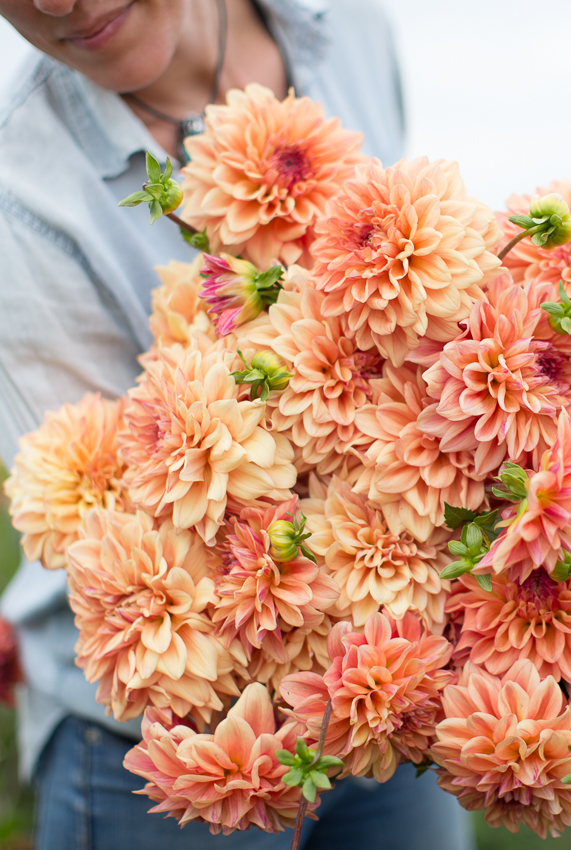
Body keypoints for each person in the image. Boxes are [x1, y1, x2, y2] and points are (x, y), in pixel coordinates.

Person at [0, 2, 473, 848]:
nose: (59, 2)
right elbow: (105, 532)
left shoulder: (342, 24)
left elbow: (407, 324)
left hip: (395, 693)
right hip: (171, 748)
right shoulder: (19, 199)